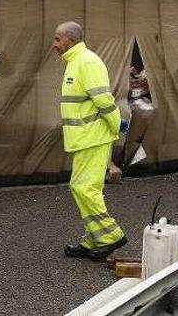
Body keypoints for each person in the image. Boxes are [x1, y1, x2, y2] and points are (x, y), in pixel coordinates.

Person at [52, 21, 127, 261]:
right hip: (85, 139)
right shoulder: (76, 61)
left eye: (57, 39)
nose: (54, 44)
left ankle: (110, 236)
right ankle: (93, 238)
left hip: (93, 138)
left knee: (86, 188)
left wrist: (115, 128)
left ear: (70, 41)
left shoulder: (86, 62)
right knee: (81, 187)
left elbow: (104, 101)